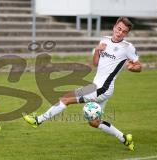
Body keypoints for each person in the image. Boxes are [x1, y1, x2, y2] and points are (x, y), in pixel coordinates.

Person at [23, 17, 142, 151]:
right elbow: (95, 63)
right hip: (98, 86)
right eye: (119, 29)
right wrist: (97, 50)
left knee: (66, 99)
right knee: (94, 122)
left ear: (126, 34)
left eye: (124, 31)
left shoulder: (127, 47)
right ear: (115, 26)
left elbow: (139, 66)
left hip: (103, 88)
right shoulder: (104, 40)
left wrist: (133, 68)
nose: (120, 33)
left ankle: (38, 120)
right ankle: (125, 138)